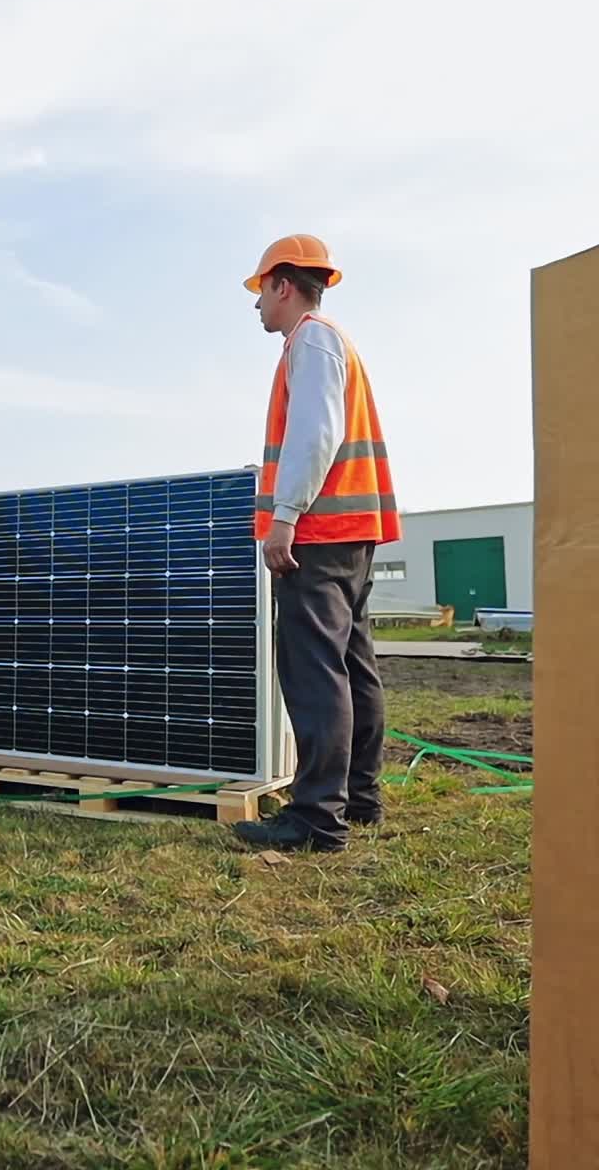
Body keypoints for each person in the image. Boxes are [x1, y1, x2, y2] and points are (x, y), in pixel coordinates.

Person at [232, 235, 400, 852]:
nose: (256, 307)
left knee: (315, 672)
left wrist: (284, 517)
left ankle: (315, 820)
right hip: (349, 533)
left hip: (319, 533)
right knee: (353, 665)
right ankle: (358, 799)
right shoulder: (329, 342)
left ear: (283, 284)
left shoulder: (312, 338)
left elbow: (314, 434)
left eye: (260, 292)